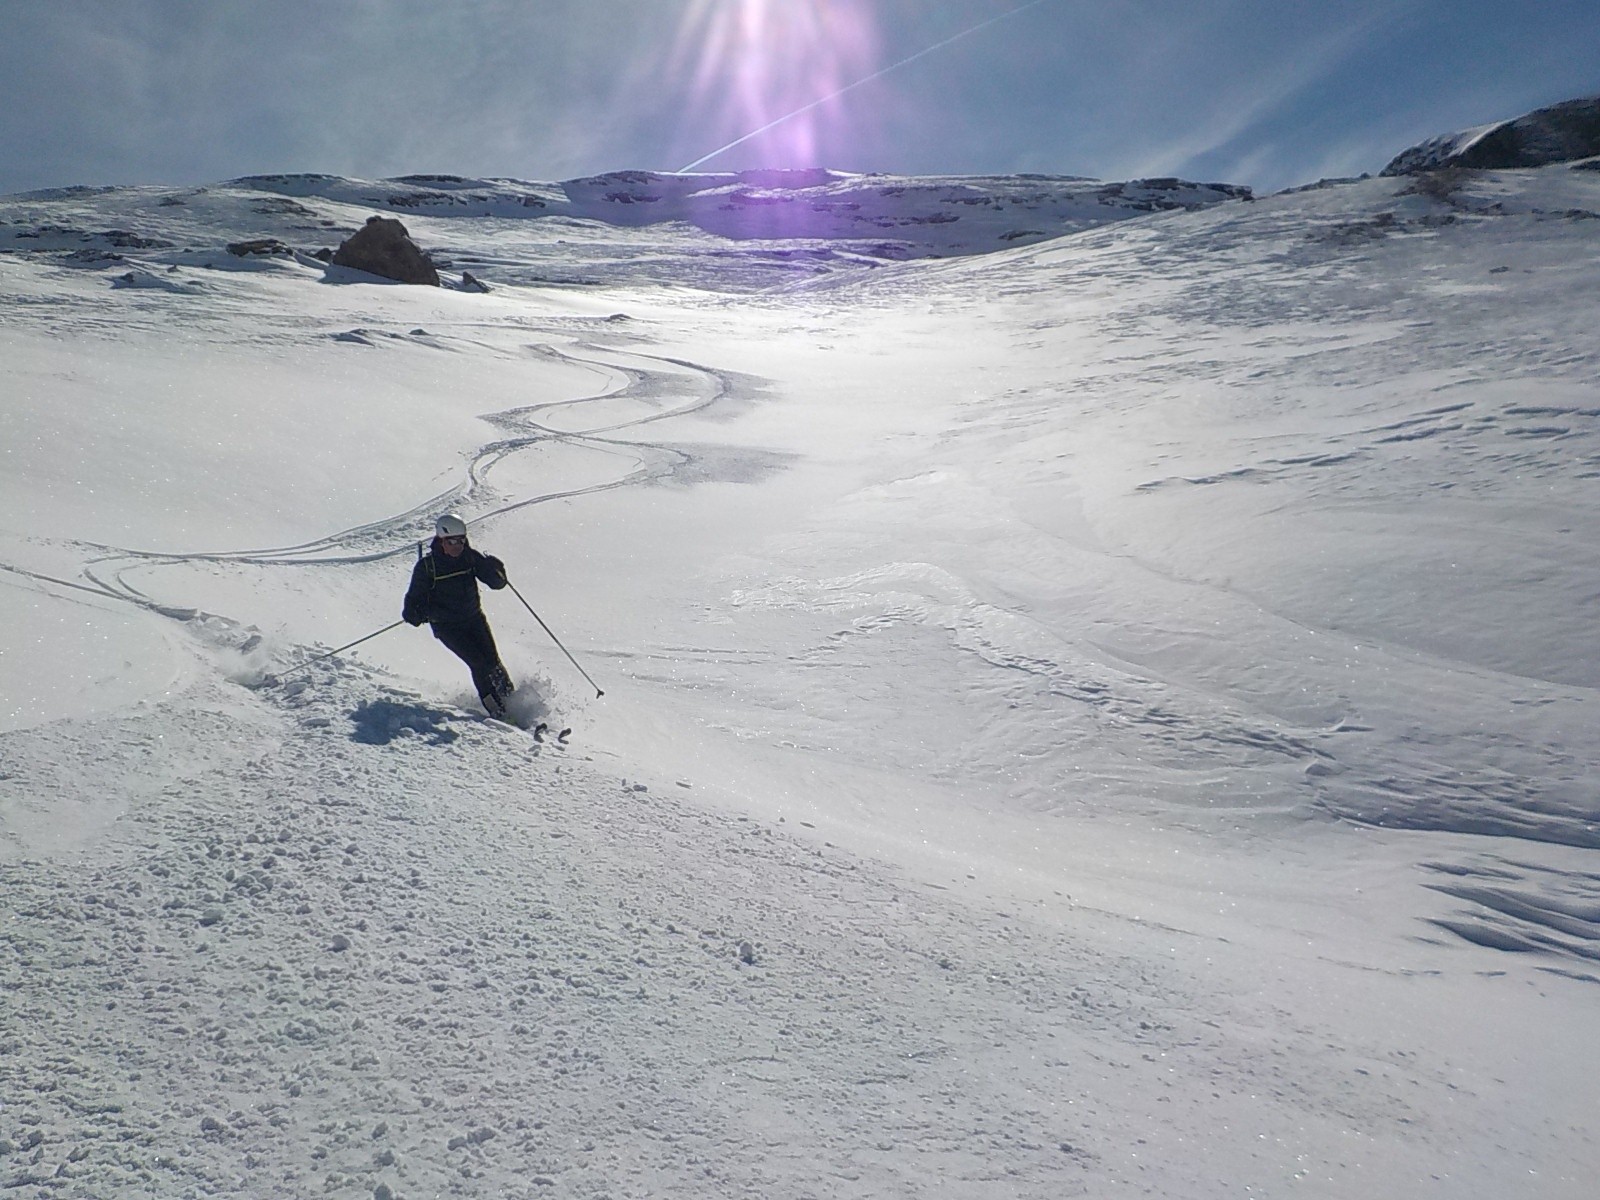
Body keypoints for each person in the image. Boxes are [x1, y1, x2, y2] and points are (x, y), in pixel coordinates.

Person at [403, 514, 516, 717]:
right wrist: (419, 613)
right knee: (478, 663)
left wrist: (496, 570)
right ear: (441, 540)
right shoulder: (427, 567)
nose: (457, 546)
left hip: (474, 619)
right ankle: (498, 712)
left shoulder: (469, 557)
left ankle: (514, 703)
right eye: (451, 541)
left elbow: (496, 584)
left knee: (493, 662)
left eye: (461, 540)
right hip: (447, 627)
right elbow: (411, 608)